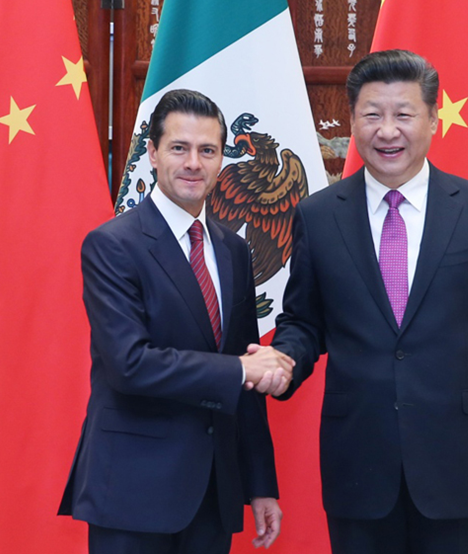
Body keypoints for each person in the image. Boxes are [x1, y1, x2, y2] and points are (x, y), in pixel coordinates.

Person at [269, 50, 468, 554]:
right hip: (359, 463)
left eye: (404, 114)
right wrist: (284, 360)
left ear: (433, 120)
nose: (387, 131)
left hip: (461, 462)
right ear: (352, 121)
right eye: (372, 115)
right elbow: (304, 321)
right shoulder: (318, 216)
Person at [59, 89, 293, 554]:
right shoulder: (112, 245)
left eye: (207, 151)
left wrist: (260, 485)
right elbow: (130, 364)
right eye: (179, 148)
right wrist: (239, 370)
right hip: (132, 489)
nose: (193, 163)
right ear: (152, 152)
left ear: (221, 159)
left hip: (214, 491)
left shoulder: (233, 249)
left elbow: (245, 367)